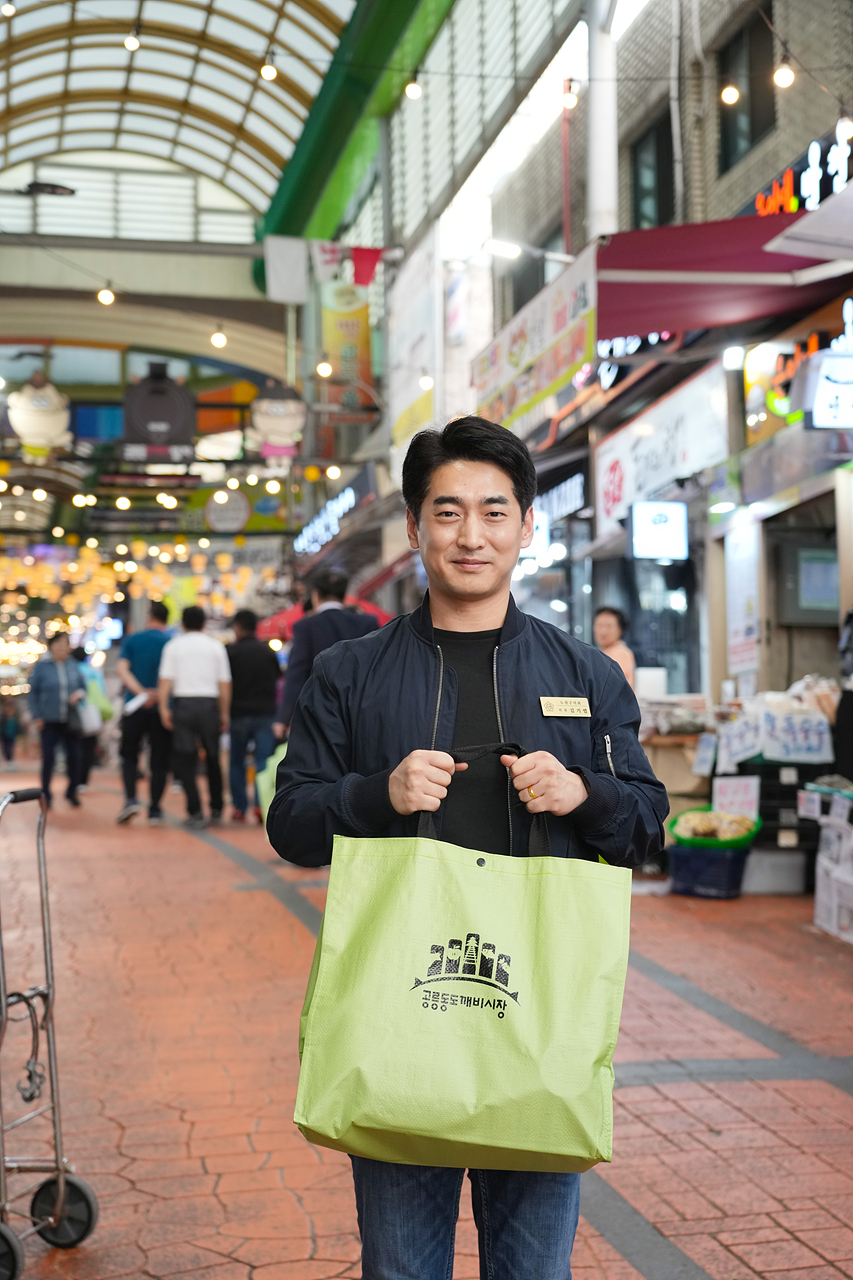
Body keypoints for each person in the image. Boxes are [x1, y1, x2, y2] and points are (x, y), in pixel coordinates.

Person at [268, 416, 667, 1280]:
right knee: (402, 1268)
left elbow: (644, 822)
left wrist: (583, 791)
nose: (471, 535)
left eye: (494, 511)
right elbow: (290, 822)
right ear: (413, 527)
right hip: (398, 1012)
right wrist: (377, 793)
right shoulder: (351, 673)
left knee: (532, 1271)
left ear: (527, 525)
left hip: (537, 1018)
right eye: (447, 513)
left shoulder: (584, 673)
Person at [273, 568, 379, 736]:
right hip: (363, 709)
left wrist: (284, 718)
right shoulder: (367, 622)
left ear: (315, 595)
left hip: (320, 711)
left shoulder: (305, 626)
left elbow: (296, 673)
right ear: (344, 596)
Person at [157, 606, 231, 829]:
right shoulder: (215, 646)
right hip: (209, 705)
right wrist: (224, 712)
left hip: (184, 705)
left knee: (185, 759)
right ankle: (217, 807)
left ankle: (195, 809)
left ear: (183, 623)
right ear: (204, 623)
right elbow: (224, 683)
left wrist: (163, 708)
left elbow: (165, 681)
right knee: (213, 757)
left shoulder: (173, 646)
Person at [116, 602, 172, 824]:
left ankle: (131, 799)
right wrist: (158, 694)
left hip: (135, 706)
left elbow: (122, 669)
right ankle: (155, 809)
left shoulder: (133, 640)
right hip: (161, 707)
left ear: (149, 615)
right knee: (159, 759)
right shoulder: (170, 642)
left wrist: (140, 693)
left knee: (129, 755)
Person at [226, 609, 282, 823]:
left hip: (238, 713)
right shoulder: (267, 651)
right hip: (265, 713)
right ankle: (260, 806)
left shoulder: (230, 651)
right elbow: (278, 678)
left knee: (236, 762)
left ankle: (239, 807)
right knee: (263, 761)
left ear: (238, 627)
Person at [27, 632, 87, 807]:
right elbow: (33, 694)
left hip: (70, 719)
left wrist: (79, 694)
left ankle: (72, 791)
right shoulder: (42, 667)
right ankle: (46, 794)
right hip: (49, 719)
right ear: (51, 646)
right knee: (48, 758)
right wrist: (37, 715)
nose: (62, 648)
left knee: (75, 756)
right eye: (58, 644)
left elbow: (83, 688)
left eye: (65, 644)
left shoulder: (74, 666)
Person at [71, 646, 105, 793]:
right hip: (93, 715)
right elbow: (102, 694)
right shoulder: (94, 673)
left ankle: (74, 780)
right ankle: (83, 781)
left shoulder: (71, 670)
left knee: (74, 749)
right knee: (88, 750)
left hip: (75, 716)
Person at [593, 605, 635, 688]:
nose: (603, 631)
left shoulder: (619, 653)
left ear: (621, 630)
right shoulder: (604, 653)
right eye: (599, 625)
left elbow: (615, 687)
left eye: (609, 626)